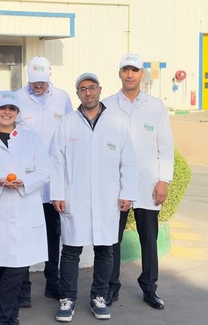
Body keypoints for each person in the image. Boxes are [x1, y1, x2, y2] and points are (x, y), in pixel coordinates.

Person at [50, 72, 137, 323]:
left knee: (105, 250)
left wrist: (127, 193)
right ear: (77, 94)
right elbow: (56, 161)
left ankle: (99, 296)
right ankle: (67, 299)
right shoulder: (68, 122)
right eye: (82, 89)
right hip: (74, 197)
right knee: (70, 251)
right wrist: (57, 193)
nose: (87, 93)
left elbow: (128, 160)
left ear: (99, 89)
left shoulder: (117, 121)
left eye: (91, 87)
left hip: (107, 198)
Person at [0, 90, 52, 325]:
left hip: (25, 214)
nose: (7, 112)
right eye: (2, 108)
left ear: (17, 113)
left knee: (16, 271)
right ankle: (10, 319)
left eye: (11, 109)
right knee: (3, 271)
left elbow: (45, 170)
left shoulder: (31, 140)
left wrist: (25, 182)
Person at [104, 54, 174, 310]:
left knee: (149, 239)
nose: (130, 74)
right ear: (120, 74)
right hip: (117, 185)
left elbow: (165, 146)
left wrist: (163, 180)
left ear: (141, 74)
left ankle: (149, 287)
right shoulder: (107, 105)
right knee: (112, 239)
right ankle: (111, 287)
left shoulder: (155, 106)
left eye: (134, 70)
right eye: (125, 70)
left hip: (147, 184)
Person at [15, 56, 73, 305]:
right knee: (25, 234)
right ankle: (23, 287)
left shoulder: (63, 98)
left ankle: (52, 282)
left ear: (50, 76)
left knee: (52, 234)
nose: (38, 86)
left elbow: (70, 134)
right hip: (26, 181)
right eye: (34, 81)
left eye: (42, 81)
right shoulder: (17, 98)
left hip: (53, 181)